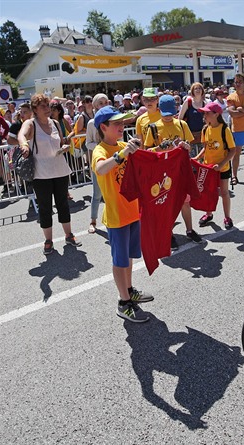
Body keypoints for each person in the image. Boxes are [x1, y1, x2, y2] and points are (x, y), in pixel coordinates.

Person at [91, 106, 153, 323]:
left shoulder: (122, 145)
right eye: (116, 123)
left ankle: (128, 290)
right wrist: (123, 153)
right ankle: (123, 302)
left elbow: (147, 159)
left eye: (122, 123)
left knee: (128, 258)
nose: (121, 126)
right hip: (117, 216)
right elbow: (101, 169)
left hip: (132, 212)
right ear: (103, 127)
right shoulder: (100, 150)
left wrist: (171, 148)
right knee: (119, 261)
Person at [17, 94, 82, 254]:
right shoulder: (30, 124)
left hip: (59, 170)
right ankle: (48, 241)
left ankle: (69, 235)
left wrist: (64, 147)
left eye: (48, 105)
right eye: (43, 106)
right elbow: (21, 135)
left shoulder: (54, 123)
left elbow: (60, 143)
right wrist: (24, 144)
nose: (48, 109)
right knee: (45, 208)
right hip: (41, 174)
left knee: (63, 204)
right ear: (35, 110)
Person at [143, 94, 203, 248]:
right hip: (162, 172)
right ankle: (168, 233)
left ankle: (189, 230)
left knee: (185, 201)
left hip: (180, 169)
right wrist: (160, 148)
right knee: (167, 204)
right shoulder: (154, 127)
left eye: (170, 114)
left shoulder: (182, 124)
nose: (168, 117)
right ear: (160, 110)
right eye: (165, 114)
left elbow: (188, 144)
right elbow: (147, 151)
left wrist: (186, 146)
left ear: (175, 110)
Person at [193, 102, 237, 230]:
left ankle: (227, 217)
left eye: (207, 113)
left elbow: (232, 150)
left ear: (216, 114)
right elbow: (205, 147)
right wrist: (197, 157)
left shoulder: (224, 129)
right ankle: (208, 214)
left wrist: (222, 164)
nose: (204, 115)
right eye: (204, 113)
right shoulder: (205, 129)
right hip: (208, 167)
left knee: (224, 192)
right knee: (208, 192)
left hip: (222, 168)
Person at [84, 93, 110, 233]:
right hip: (99, 161)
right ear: (94, 106)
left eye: (105, 102)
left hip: (113, 161)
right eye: (100, 103)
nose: (104, 105)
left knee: (112, 192)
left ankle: (111, 220)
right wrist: (101, 147)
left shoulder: (113, 119)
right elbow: (88, 143)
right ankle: (93, 221)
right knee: (97, 194)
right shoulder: (91, 123)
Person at [178, 82, 207, 157]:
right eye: (195, 88)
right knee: (191, 158)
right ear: (192, 91)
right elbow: (180, 118)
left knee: (203, 157)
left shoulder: (205, 103)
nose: (198, 90)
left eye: (199, 88)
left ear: (202, 90)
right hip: (190, 135)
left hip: (202, 135)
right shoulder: (188, 102)